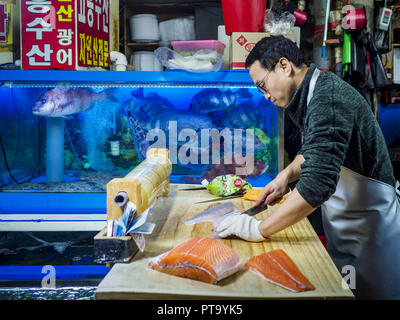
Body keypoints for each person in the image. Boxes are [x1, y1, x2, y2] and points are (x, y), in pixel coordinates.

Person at [215, 35, 400, 299]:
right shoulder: (312, 94)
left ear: (283, 66)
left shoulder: (328, 99)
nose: (265, 95)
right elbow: (316, 151)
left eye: (262, 85)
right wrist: (285, 176)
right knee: (346, 292)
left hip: (374, 234)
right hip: (348, 227)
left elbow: (317, 185)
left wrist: (256, 229)